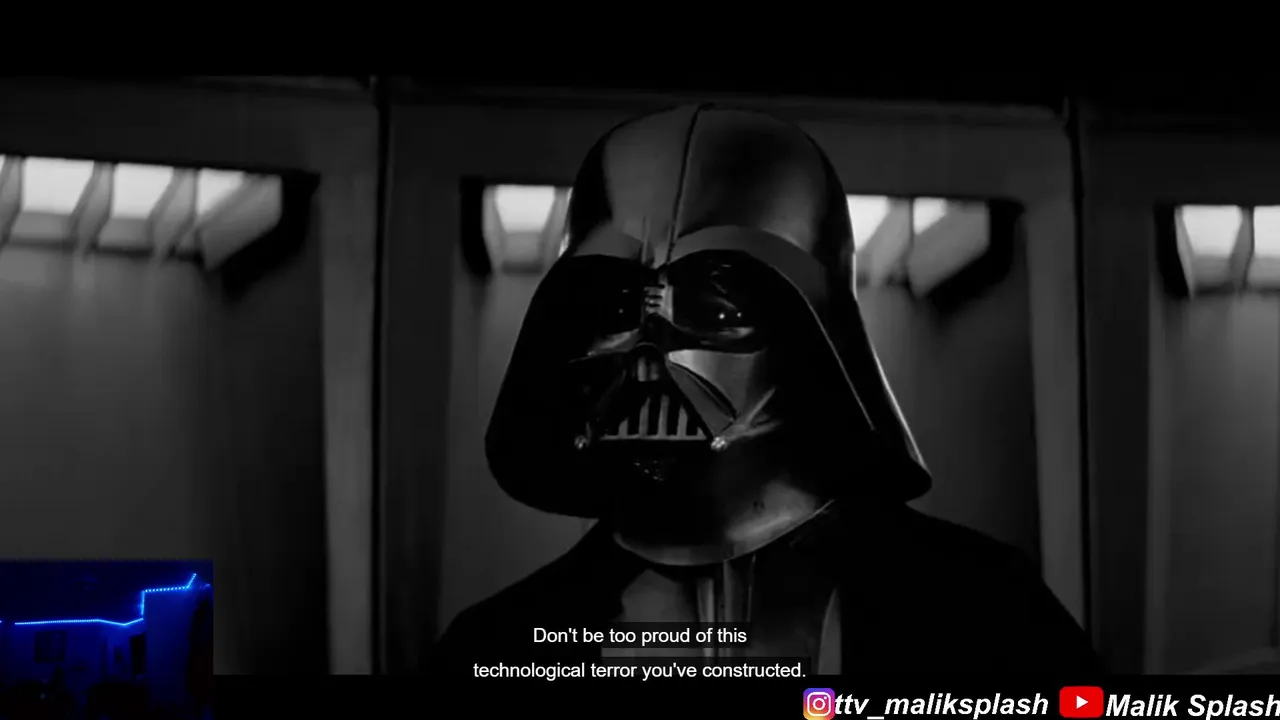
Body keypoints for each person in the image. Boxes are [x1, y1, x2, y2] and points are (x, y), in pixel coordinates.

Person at [431, 104, 1101, 674]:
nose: (647, 359)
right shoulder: (499, 644)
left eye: (717, 307)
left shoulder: (982, 611)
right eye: (615, 310)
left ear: (813, 335)